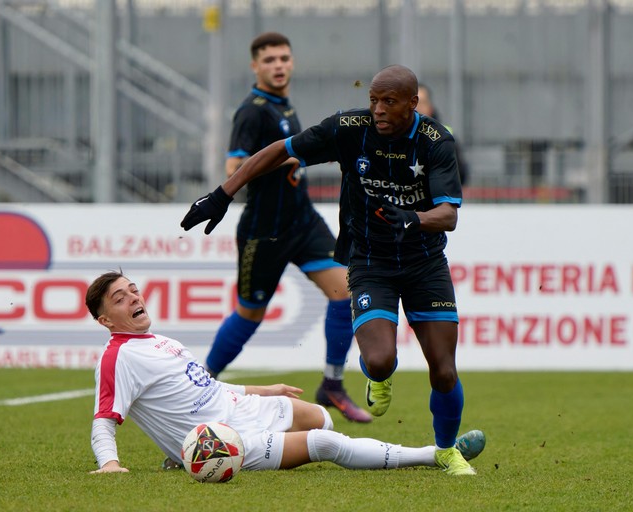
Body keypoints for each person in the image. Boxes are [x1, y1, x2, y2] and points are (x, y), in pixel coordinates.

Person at [181, 65, 476, 475]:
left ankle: (445, 450)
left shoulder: (436, 141)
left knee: (443, 370)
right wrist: (221, 194)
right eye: (373, 100)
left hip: (425, 264)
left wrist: (414, 217)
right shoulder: (350, 128)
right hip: (369, 261)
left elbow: (448, 215)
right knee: (377, 360)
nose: (378, 110)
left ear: (413, 104)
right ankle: (378, 376)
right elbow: (280, 150)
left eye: (389, 102)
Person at [86, 271, 486, 475]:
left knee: (319, 415)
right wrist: (109, 464)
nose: (134, 298)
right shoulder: (117, 358)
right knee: (327, 442)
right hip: (226, 440)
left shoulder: (158, 340)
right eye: (120, 299)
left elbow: (204, 386)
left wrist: (264, 389)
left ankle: (191, 454)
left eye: (133, 290)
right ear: (105, 319)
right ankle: (433, 456)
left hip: (238, 407)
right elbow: (104, 420)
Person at [205, 32, 372, 423]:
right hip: (264, 231)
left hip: (303, 221)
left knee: (344, 291)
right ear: (255, 67)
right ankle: (203, 384)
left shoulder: (283, 106)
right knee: (250, 314)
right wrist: (289, 159)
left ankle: (332, 383)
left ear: (292, 62)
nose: (278, 65)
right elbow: (233, 169)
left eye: (283, 58)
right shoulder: (253, 111)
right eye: (269, 60)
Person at [417, 83, 470, 186]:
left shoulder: (446, 136)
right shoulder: (395, 136)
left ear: (430, 107)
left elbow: (460, 174)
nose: (417, 108)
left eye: (422, 103)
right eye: (414, 103)